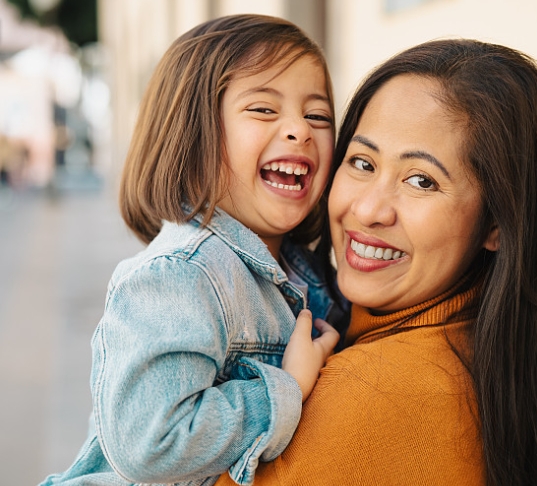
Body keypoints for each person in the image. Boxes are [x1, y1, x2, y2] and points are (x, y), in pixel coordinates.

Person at [216, 39, 537, 486]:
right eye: (361, 162)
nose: (370, 208)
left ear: (497, 224)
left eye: (421, 180)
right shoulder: (496, 353)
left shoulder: (373, 391)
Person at [40, 14, 341, 486]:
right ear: (193, 135)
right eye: (264, 109)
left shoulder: (308, 270)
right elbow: (150, 442)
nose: (300, 130)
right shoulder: (182, 274)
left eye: (317, 115)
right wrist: (286, 388)